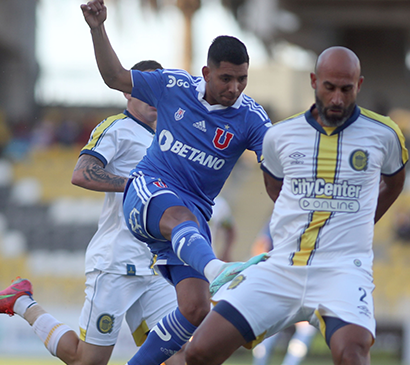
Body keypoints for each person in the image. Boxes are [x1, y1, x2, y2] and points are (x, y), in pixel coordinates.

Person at [184, 46, 408, 365]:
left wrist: (360, 223)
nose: (337, 99)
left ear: (359, 85)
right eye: (329, 87)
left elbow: (394, 182)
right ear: (314, 81)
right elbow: (275, 186)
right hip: (282, 266)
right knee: (198, 351)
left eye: (346, 89)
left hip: (342, 270)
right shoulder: (281, 135)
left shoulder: (384, 134)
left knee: (352, 354)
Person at [80, 2, 271, 364]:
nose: (235, 88)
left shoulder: (250, 117)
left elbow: (275, 165)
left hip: (192, 222)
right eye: (226, 78)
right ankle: (218, 271)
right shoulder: (173, 85)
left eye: (242, 79)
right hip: (146, 192)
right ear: (206, 73)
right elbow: (116, 77)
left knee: (196, 308)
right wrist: (97, 28)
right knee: (180, 215)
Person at [0, 61, 184, 365]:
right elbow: (82, 173)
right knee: (85, 360)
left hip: (154, 266)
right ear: (128, 91)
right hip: (117, 263)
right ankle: (22, 302)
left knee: (179, 357)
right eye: (145, 89)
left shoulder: (167, 138)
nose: (154, 98)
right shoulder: (117, 128)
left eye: (158, 90)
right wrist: (134, 185)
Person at [250, 219, 317, 365]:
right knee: (274, 324)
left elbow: (260, 246)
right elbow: (261, 246)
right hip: (284, 279)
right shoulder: (283, 218)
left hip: (297, 281)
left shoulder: (290, 217)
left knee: (300, 327)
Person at [209, 195, 236, 261]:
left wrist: (225, 252)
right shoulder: (181, 202)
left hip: (209, 262)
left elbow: (230, 230)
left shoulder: (218, 204)